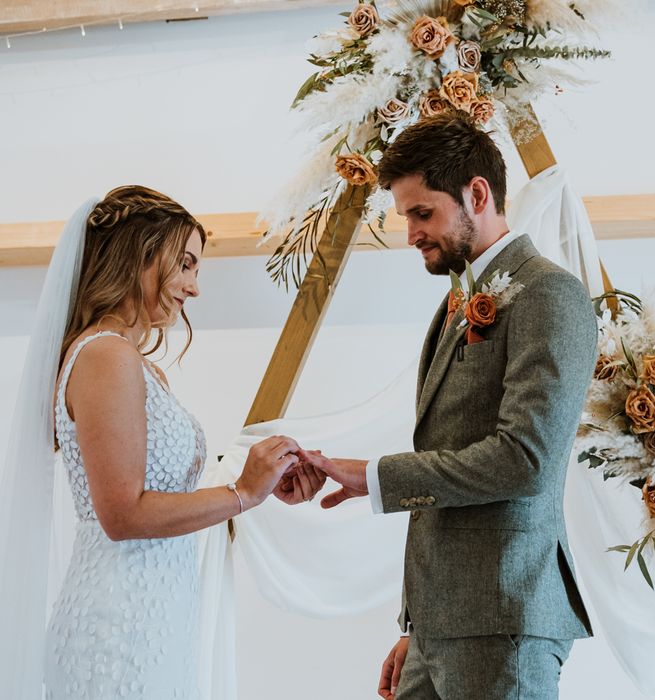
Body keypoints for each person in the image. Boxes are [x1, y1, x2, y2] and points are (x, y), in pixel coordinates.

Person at [303, 112, 597, 699]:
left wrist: (374, 476)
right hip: (442, 627)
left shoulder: (548, 293)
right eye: (406, 215)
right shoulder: (454, 303)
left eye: (422, 212)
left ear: (477, 194)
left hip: (505, 622)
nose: (410, 233)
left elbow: (524, 459)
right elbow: (448, 457)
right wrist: (420, 625)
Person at [0, 186, 323, 699]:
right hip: (119, 624)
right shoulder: (106, 356)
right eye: (186, 265)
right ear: (139, 256)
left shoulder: (137, 365)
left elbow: (162, 490)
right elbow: (123, 513)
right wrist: (242, 493)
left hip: (155, 615)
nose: (194, 288)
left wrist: (261, 477)